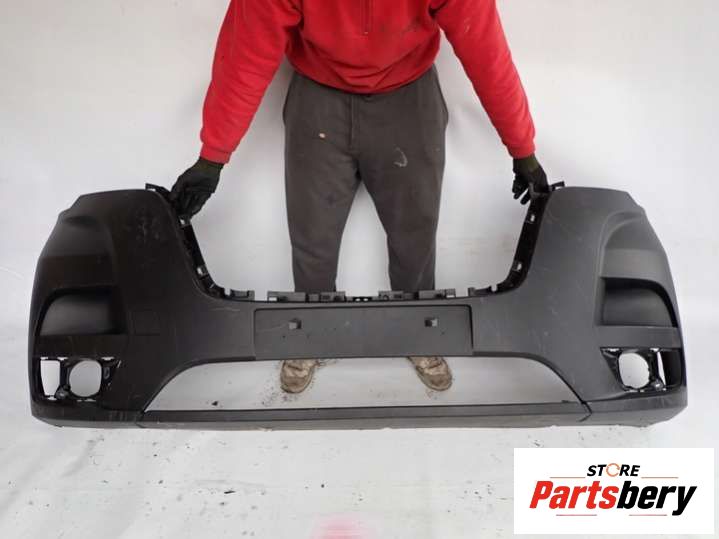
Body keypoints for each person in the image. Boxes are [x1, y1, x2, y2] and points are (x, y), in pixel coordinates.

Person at [170, 0, 549, 394]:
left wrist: (522, 149)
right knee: (312, 233)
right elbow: (246, 56)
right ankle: (310, 333)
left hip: (409, 97)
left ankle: (418, 329)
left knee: (415, 232)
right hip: (318, 97)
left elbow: (486, 51)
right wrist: (212, 159)